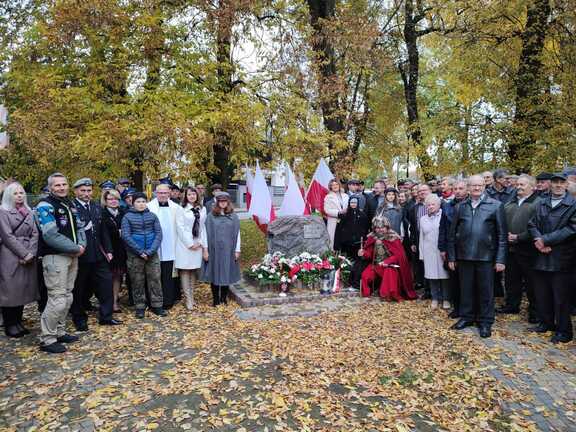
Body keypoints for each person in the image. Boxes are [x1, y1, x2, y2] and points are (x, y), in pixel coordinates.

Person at [448, 175, 507, 338]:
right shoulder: (461, 206)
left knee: (485, 291)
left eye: (479, 185)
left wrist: (501, 259)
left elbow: (502, 235)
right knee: (465, 289)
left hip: (486, 256)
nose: (476, 188)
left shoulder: (495, 206)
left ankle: (485, 321)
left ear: (484, 187)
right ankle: (467, 317)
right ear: (468, 187)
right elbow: (452, 234)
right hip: (464, 255)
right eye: (473, 185)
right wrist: (452, 257)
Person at [36, 173, 86, 354]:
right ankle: (47, 339)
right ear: (50, 187)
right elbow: (49, 234)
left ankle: (59, 331)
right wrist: (75, 248)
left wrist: (82, 245)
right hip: (56, 257)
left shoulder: (70, 203)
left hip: (73, 255)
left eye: (64, 184)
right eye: (57, 185)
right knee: (57, 299)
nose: (62, 187)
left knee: (67, 296)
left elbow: (80, 227)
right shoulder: (45, 205)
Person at [528, 173, 576, 344]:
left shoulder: (573, 204)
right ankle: (545, 323)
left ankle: (564, 331)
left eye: (560, 182)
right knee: (542, 293)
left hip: (561, 257)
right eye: (554, 182)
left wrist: (546, 240)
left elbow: (571, 229)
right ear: (550, 184)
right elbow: (532, 223)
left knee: (561, 297)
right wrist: (538, 239)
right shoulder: (541, 202)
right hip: (541, 255)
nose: (557, 185)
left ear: (566, 185)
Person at [70, 178, 119, 331]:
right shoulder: (72, 207)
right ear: (76, 191)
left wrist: (109, 250)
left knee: (106, 284)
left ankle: (106, 316)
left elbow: (102, 230)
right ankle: (79, 318)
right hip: (81, 254)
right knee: (79, 288)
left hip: (99, 254)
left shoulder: (96, 207)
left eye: (89, 190)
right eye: (83, 191)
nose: (86, 194)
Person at [498, 175, 540, 322]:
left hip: (529, 249)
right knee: (511, 279)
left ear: (532, 186)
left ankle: (535, 312)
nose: (519, 187)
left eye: (522, 184)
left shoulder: (538, 203)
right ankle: (511, 305)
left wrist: (519, 237)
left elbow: (538, 226)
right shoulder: (510, 202)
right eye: (518, 184)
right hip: (510, 249)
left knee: (531, 282)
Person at [0, 182, 39, 338]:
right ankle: (10, 324)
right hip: (10, 254)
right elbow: (7, 236)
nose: (19, 196)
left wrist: (31, 253)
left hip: (28, 253)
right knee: (10, 291)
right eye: (15, 193)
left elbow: (35, 234)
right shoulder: (3, 212)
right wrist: (24, 254)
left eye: (21, 193)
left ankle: (18, 322)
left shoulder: (30, 212)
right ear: (9, 195)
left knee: (23, 290)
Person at [121, 192, 166, 318]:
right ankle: (140, 306)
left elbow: (158, 234)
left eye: (143, 201)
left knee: (155, 279)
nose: (141, 204)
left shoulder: (152, 216)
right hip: (135, 255)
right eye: (138, 202)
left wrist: (150, 251)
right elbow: (126, 236)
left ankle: (157, 305)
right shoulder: (127, 217)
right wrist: (140, 251)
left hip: (152, 254)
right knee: (137, 281)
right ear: (133, 203)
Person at [359, 216, 417, 301]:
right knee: (365, 275)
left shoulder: (393, 237)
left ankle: (387, 295)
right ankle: (367, 293)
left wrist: (387, 262)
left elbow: (399, 256)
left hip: (390, 266)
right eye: (377, 228)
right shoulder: (372, 238)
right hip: (376, 265)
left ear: (387, 227)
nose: (380, 229)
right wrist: (363, 253)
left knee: (389, 272)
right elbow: (370, 254)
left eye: (382, 227)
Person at [201, 192, 241, 307]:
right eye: (220, 201)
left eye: (225, 201)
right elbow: (204, 233)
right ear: (217, 202)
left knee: (226, 273)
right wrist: (205, 250)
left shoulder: (233, 216)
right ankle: (216, 299)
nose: (223, 203)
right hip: (214, 250)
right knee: (215, 273)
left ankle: (224, 298)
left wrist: (237, 250)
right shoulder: (211, 216)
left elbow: (237, 234)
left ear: (228, 202)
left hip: (228, 250)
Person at [438, 179, 469, 318]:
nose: (457, 191)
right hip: (452, 247)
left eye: (461, 188)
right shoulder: (447, 206)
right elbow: (443, 227)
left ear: (467, 189)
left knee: (468, 281)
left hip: (469, 248)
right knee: (454, 279)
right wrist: (442, 248)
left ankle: (469, 309)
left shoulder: (472, 205)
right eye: (455, 188)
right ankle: (457, 308)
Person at [148, 184, 181, 310]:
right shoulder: (149, 207)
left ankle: (168, 300)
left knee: (168, 275)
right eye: (160, 193)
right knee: (154, 276)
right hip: (154, 247)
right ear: (156, 193)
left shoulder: (176, 208)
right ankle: (154, 301)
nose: (162, 195)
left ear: (169, 194)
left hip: (170, 246)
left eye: (165, 193)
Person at [175, 187, 206, 310]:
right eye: (189, 194)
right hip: (184, 245)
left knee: (193, 270)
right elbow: (180, 227)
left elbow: (203, 227)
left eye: (194, 194)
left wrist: (201, 243)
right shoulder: (181, 209)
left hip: (197, 242)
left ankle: (192, 297)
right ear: (185, 196)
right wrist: (189, 244)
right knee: (185, 270)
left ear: (197, 195)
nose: (192, 196)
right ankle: (188, 299)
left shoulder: (202, 209)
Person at [419, 194, 450, 309]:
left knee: (444, 276)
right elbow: (421, 237)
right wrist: (422, 254)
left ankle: (446, 299)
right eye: (428, 205)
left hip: (442, 251)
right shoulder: (423, 219)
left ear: (438, 205)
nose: (430, 207)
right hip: (429, 251)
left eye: (433, 204)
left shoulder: (444, 216)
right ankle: (435, 298)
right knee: (432, 277)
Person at [101, 189, 127, 313]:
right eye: (110, 199)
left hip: (121, 249)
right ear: (105, 201)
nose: (113, 201)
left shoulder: (123, 212)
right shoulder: (102, 213)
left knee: (117, 277)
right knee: (107, 278)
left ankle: (115, 302)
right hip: (107, 249)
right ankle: (107, 302)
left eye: (116, 199)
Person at [334, 196, 369, 288]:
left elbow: (365, 230)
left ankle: (354, 282)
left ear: (358, 204)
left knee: (356, 264)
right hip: (346, 243)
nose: (353, 204)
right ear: (349, 203)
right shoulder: (344, 215)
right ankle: (345, 281)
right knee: (346, 263)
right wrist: (336, 245)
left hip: (358, 244)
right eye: (352, 203)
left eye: (355, 203)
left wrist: (364, 242)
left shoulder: (362, 215)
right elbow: (338, 231)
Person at [324, 179, 349, 249]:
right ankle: (335, 257)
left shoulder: (346, 196)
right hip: (334, 221)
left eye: (336, 184)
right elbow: (327, 210)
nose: (335, 186)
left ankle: (344, 257)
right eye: (333, 185)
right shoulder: (328, 197)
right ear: (330, 187)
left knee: (344, 240)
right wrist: (338, 212)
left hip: (345, 221)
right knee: (334, 242)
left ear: (339, 185)